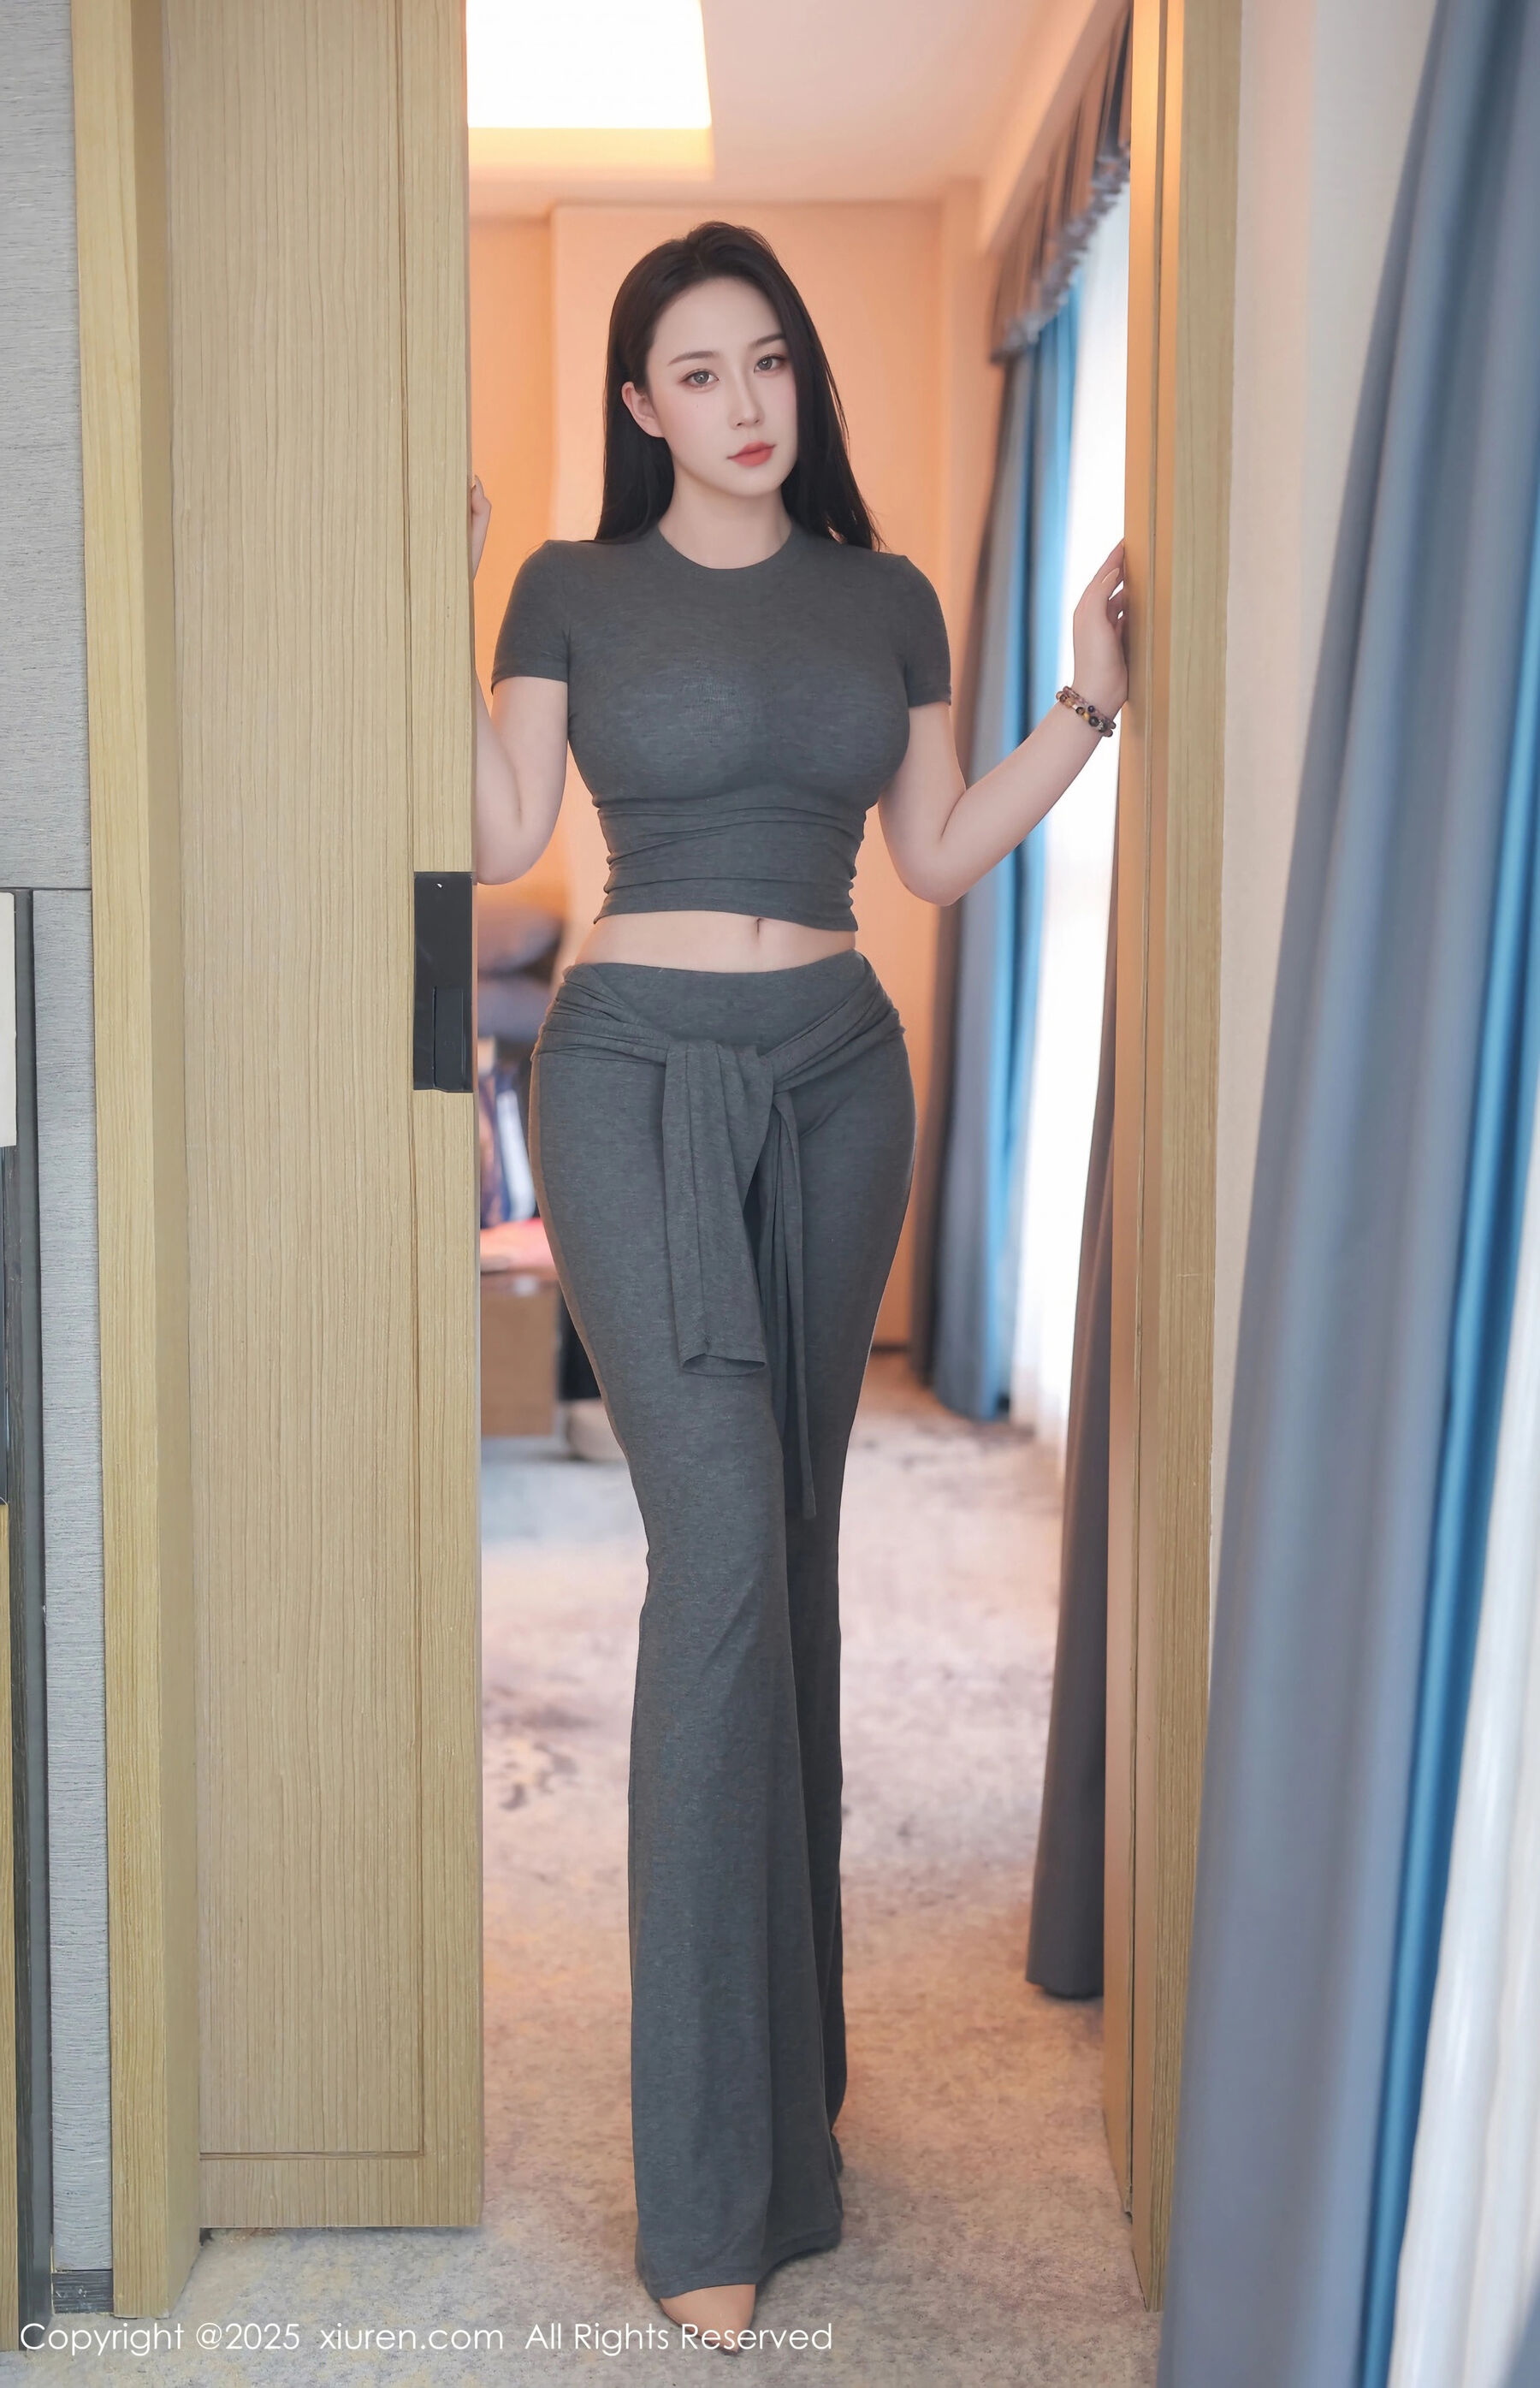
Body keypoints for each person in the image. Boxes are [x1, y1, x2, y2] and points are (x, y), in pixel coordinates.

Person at [470, 219, 1126, 2352]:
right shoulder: (569, 586)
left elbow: (931, 850)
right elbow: (498, 824)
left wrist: (1087, 704)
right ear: (639, 405)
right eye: (697, 370)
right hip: (635, 1075)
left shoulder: (886, 595)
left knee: (806, 1555)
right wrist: (415, 584)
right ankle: (707, 2190)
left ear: (797, 380)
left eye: (768, 360)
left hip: (841, 1076)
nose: (743, 401)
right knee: (726, 1554)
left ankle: (791, 2110)